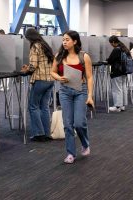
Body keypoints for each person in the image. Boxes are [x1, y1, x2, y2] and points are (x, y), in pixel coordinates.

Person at [51, 30, 94, 164]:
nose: (64, 42)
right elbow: (52, 72)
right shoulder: (59, 56)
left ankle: (85, 144)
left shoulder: (84, 56)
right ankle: (70, 153)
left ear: (75, 41)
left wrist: (90, 96)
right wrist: (59, 77)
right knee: (68, 124)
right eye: (63, 39)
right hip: (65, 92)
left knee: (79, 123)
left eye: (67, 39)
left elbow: (89, 77)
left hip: (80, 91)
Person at [21, 28, 54, 142]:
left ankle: (39, 134)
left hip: (40, 80)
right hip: (50, 79)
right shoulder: (45, 45)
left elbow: (33, 65)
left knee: (33, 106)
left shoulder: (35, 46)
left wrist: (26, 70)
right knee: (44, 107)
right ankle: (47, 133)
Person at [107, 35, 130, 112]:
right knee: (123, 88)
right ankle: (122, 105)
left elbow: (110, 60)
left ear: (113, 42)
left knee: (116, 89)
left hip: (117, 72)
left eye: (111, 43)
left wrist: (107, 60)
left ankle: (117, 106)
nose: (111, 45)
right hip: (124, 71)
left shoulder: (116, 49)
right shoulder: (124, 48)